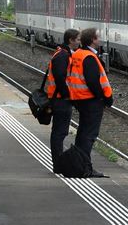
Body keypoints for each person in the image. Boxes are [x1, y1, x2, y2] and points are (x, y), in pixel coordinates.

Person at [66, 27, 114, 177]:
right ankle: (85, 168)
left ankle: (79, 166)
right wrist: (103, 98)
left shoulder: (78, 54)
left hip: (80, 99)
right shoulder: (89, 57)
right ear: (93, 40)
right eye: (98, 37)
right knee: (89, 135)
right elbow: (93, 81)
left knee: (82, 133)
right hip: (90, 101)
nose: (100, 39)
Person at [44, 28, 80, 168]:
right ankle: (58, 164)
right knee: (59, 132)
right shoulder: (62, 56)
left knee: (60, 132)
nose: (79, 42)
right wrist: (67, 95)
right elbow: (60, 77)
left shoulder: (63, 53)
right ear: (71, 40)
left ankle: (58, 163)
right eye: (78, 40)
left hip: (60, 98)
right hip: (60, 100)